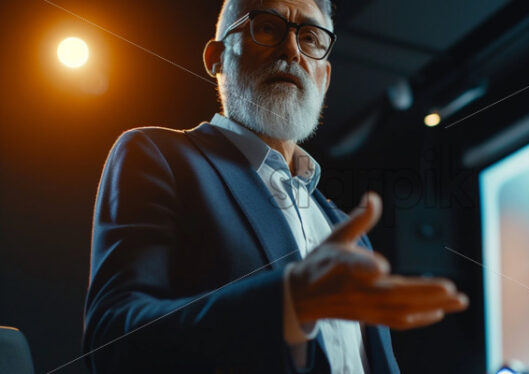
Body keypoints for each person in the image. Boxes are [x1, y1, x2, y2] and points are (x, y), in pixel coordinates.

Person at [82, 0, 469, 373]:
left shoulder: (345, 231)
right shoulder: (159, 156)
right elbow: (114, 340)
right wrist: (287, 303)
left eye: (311, 39)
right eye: (267, 27)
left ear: (326, 76)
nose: (291, 50)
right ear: (215, 57)